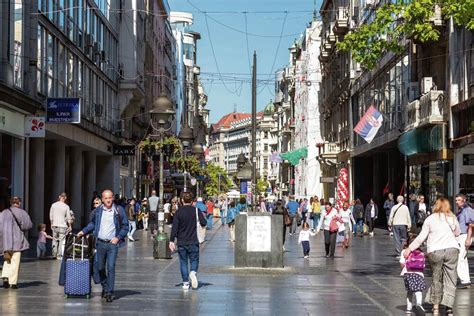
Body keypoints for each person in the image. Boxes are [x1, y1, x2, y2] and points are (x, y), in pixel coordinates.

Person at [405, 198, 460, 316]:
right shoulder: (452, 218)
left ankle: (435, 308)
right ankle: (449, 307)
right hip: (452, 250)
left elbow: (421, 237)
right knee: (451, 279)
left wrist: (410, 248)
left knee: (436, 278)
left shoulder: (430, 219)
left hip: (435, 251)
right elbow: (457, 233)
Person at [78, 190, 129, 302]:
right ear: (102, 199)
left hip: (112, 245)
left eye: (110, 197)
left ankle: (110, 292)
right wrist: (83, 231)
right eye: (106, 198)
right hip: (100, 243)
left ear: (113, 198)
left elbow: (126, 226)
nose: (108, 200)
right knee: (100, 268)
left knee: (111, 267)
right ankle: (105, 287)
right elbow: (93, 224)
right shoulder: (98, 211)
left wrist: (118, 237)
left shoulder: (118, 210)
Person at [169, 192, 207, 291]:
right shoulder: (196, 210)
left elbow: (174, 228)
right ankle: (193, 272)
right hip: (193, 240)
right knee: (194, 260)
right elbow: (204, 223)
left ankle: (185, 283)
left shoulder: (178, 212)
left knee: (183, 262)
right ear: (192, 201)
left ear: (182, 200)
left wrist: (171, 240)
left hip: (181, 241)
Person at [0, 197, 33, 289]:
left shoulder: (3, 212)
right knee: (15, 260)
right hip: (17, 240)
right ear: (19, 203)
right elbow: (28, 225)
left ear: (11, 203)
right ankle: (13, 282)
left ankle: (5, 275)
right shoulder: (22, 213)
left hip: (6, 240)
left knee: (7, 258)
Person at [400, 236, 426, 314]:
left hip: (408, 274)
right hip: (419, 274)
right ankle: (418, 304)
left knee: (410, 290)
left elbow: (402, 264)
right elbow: (423, 266)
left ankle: (408, 307)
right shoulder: (421, 253)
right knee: (418, 290)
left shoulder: (404, 251)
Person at [454, 193, 474, 289]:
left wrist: (468, 238)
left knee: (460, 258)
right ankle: (466, 279)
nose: (457, 202)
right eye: (456, 200)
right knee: (463, 258)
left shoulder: (467, 210)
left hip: (464, 236)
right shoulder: (461, 211)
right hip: (462, 236)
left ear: (464, 200)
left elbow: (471, 225)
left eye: (458, 200)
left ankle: (464, 280)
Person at [49, 193, 72, 259]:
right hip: (62, 225)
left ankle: (54, 254)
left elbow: (51, 216)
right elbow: (68, 217)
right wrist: (70, 225)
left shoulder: (53, 205)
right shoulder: (66, 206)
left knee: (54, 240)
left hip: (55, 224)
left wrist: (51, 223)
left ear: (59, 197)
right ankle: (59, 255)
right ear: (65, 198)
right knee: (61, 241)